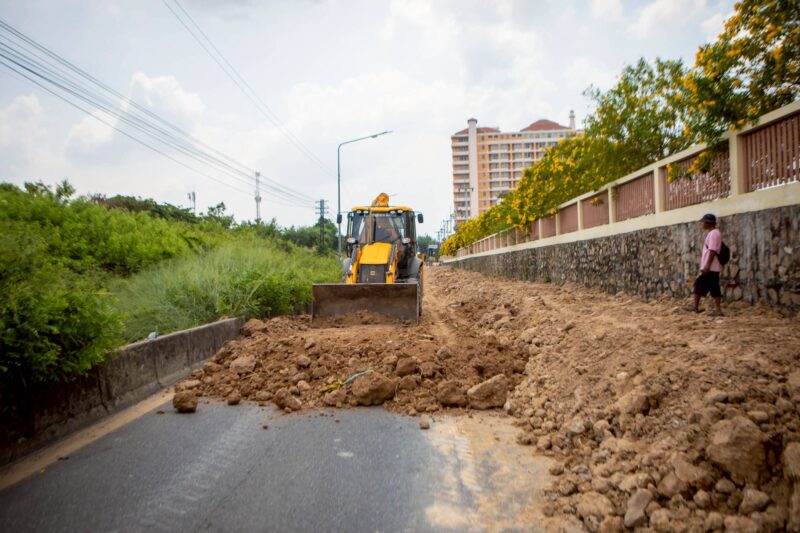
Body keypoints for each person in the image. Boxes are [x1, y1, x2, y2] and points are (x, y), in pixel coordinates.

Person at [690, 213, 723, 316]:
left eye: (704, 222)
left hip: (711, 267)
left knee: (698, 284)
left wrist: (707, 265)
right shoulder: (715, 233)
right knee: (713, 287)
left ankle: (696, 308)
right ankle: (716, 309)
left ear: (709, 223)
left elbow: (712, 251)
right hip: (713, 267)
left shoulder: (713, 234)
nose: (702, 224)